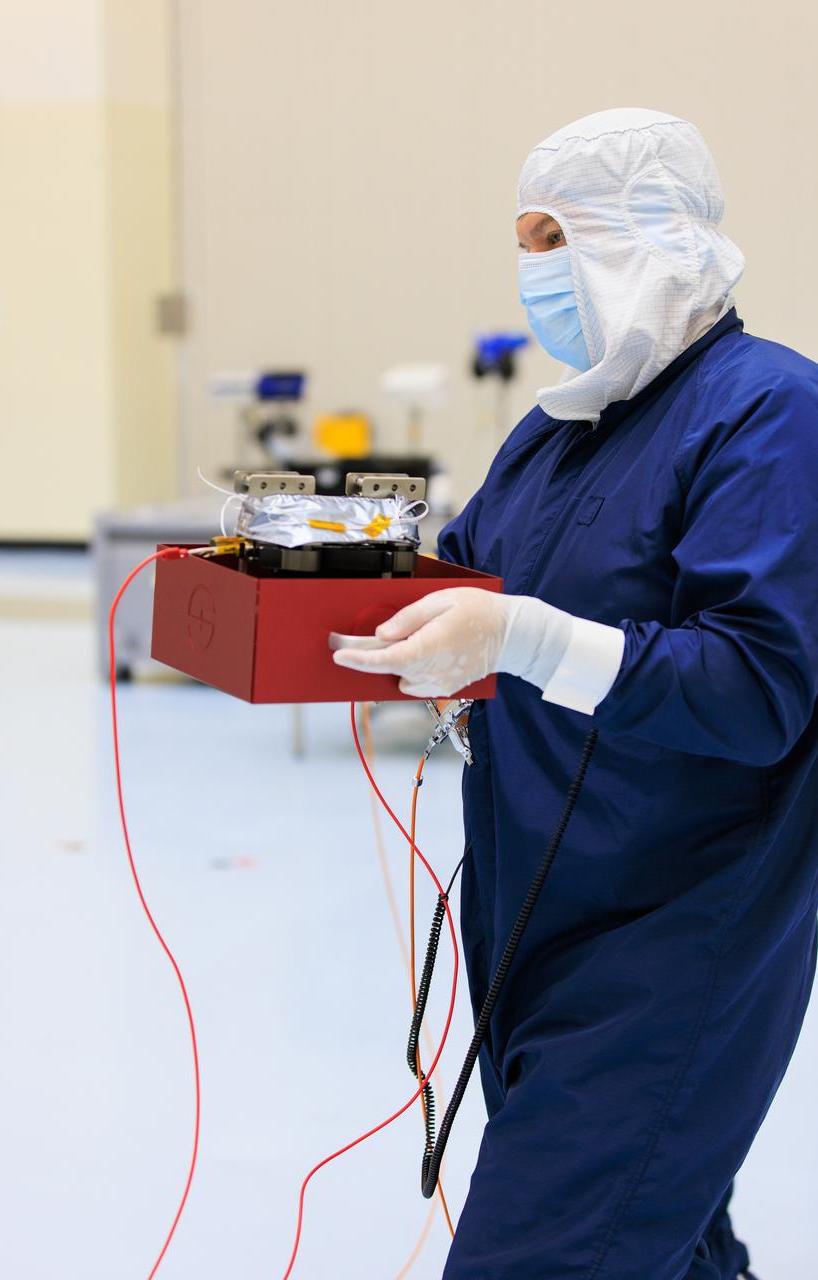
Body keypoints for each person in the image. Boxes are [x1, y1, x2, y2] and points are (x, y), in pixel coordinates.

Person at [333, 107, 818, 1279]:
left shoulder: (770, 411)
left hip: (670, 943)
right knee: (667, 1235)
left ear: (644, 233)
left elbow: (759, 686)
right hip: (533, 925)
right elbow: (455, 573)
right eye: (523, 237)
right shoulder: (554, 436)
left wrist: (526, 637)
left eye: (553, 234)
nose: (534, 266)